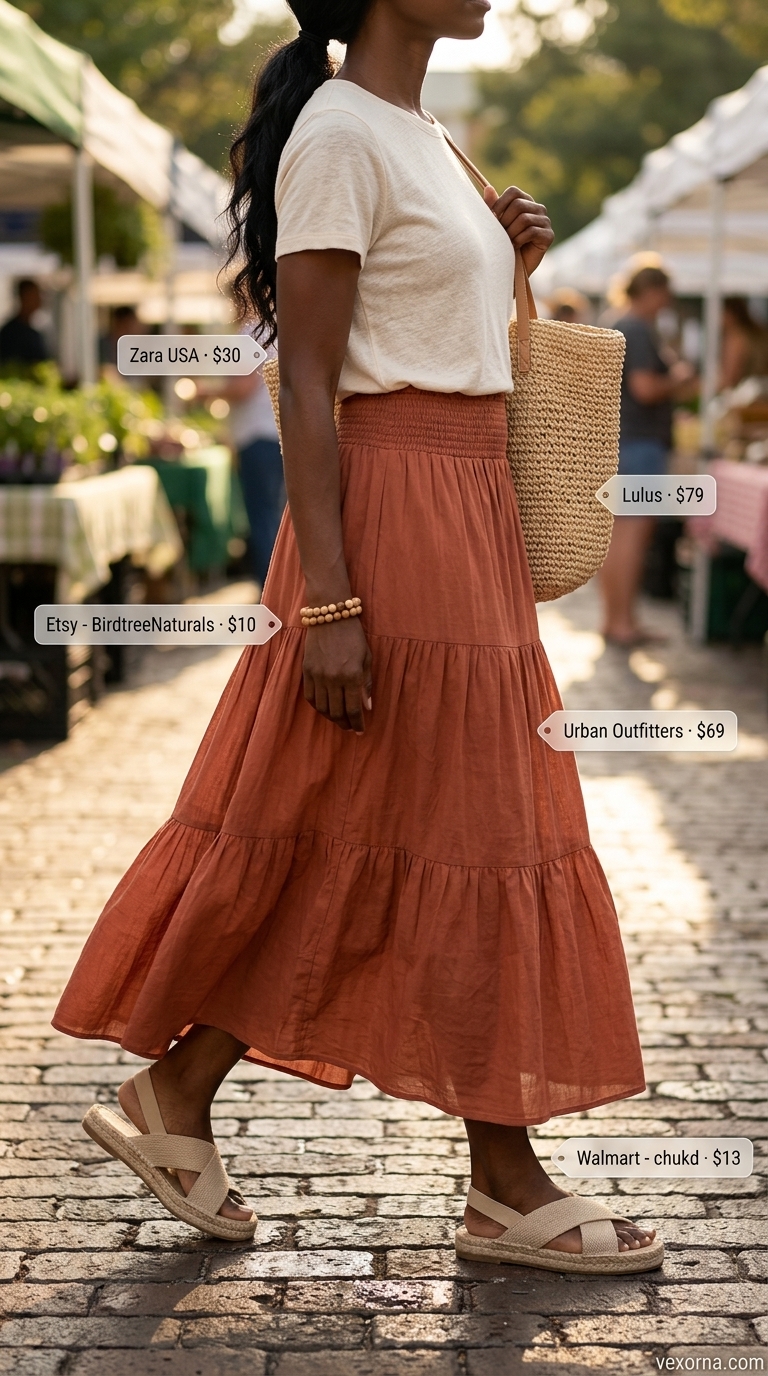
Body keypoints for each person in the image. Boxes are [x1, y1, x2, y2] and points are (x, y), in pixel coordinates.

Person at [54, 0, 661, 1272]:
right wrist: (329, 598)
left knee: (404, 817)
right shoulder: (338, 133)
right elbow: (309, 382)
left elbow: (439, 336)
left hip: (468, 503)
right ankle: (501, 1176)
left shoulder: (428, 136)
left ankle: (190, 1095)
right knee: (469, 819)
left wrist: (518, 267)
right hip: (392, 514)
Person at [599, 265, 696, 647]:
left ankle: (617, 620)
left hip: (625, 442)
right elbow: (643, 388)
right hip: (639, 445)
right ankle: (623, 623)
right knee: (632, 537)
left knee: (619, 537)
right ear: (653, 291)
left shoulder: (619, 323)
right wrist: (678, 379)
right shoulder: (637, 328)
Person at [205, 341, 284, 588]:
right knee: (275, 517)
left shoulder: (251, 333)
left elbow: (244, 386)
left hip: (257, 438)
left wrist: (204, 391)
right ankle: (279, 591)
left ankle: (271, 593)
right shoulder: (272, 329)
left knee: (263, 519)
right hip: (274, 435)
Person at [720, 297, 768, 389]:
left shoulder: (736, 337)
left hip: (746, 395)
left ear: (730, 314)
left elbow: (730, 379)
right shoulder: (752, 333)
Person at [0, 279, 49, 369]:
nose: (39, 299)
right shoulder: (10, 333)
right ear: (24, 297)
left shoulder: (33, 332)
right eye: (35, 295)